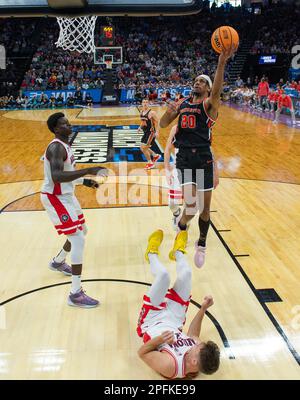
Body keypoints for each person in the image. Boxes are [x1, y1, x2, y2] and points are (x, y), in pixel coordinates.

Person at [159, 46, 234, 268]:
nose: (197, 82)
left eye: (202, 81)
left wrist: (221, 63)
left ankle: (201, 243)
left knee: (204, 209)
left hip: (203, 158)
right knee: (190, 207)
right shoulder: (182, 105)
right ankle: (181, 229)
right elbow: (163, 125)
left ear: (209, 88)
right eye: (196, 80)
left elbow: (218, 90)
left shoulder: (209, 105)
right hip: (184, 159)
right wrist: (170, 112)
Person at [40, 112, 107, 307]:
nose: (69, 125)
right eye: (64, 124)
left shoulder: (66, 147)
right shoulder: (55, 148)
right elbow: (57, 176)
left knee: (82, 231)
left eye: (68, 122)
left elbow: (66, 173)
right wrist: (87, 170)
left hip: (67, 196)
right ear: (56, 129)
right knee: (78, 239)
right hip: (55, 198)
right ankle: (75, 293)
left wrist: (85, 180)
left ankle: (58, 261)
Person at [137, 230, 220, 379]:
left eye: (198, 346)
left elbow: (142, 353)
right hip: (174, 320)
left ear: (194, 361)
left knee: (163, 276)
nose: (196, 342)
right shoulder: (197, 355)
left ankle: (151, 252)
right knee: (187, 274)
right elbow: (193, 335)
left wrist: (160, 340)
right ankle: (177, 252)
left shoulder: (170, 366)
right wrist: (203, 309)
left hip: (152, 322)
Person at [138, 98, 161, 170]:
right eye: (143, 102)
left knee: (144, 148)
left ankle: (150, 163)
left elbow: (158, 122)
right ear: (142, 103)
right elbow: (143, 121)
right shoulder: (141, 112)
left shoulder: (152, 112)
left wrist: (157, 132)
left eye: (146, 102)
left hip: (151, 132)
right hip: (145, 132)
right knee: (143, 147)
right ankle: (155, 155)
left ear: (148, 103)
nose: (145, 103)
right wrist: (140, 127)